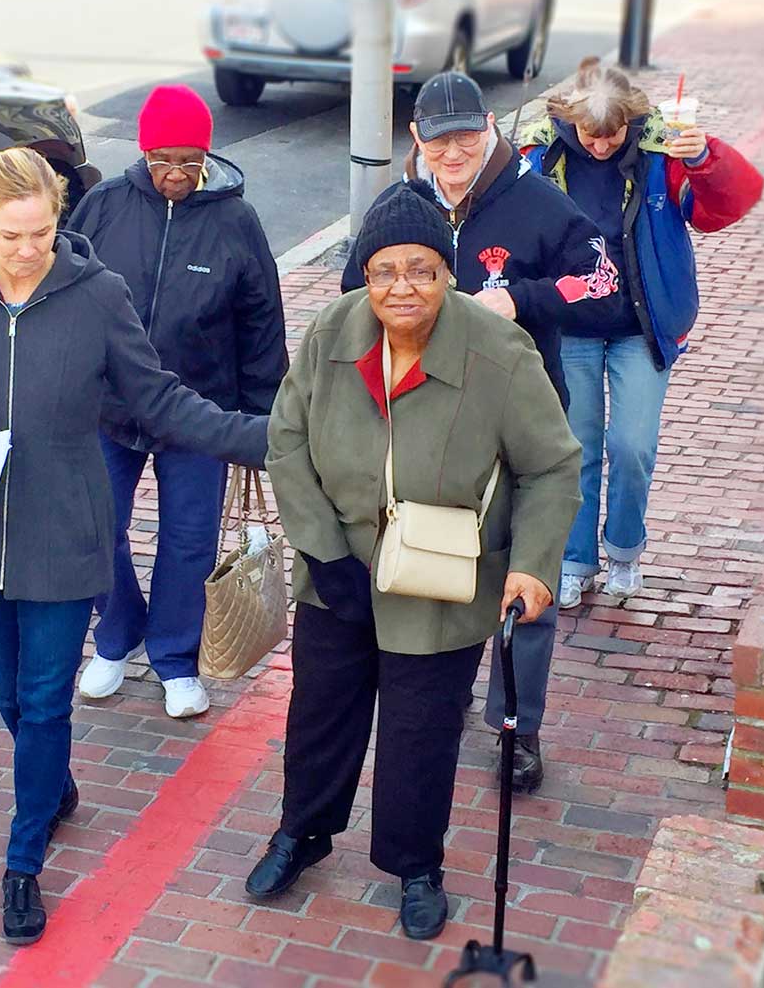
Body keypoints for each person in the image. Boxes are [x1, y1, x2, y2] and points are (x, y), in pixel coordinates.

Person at [0, 147, 267, 946]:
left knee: (47, 700)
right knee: (14, 696)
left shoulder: (97, 295)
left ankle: (22, 861)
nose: (29, 250)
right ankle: (50, 788)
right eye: (12, 234)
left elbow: (159, 399)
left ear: (60, 216)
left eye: (43, 232)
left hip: (64, 532)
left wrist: (265, 437)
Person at [246, 182, 582, 941]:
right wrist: (325, 553)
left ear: (448, 273)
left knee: (419, 730)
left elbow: (554, 465)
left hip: (441, 579)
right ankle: (302, 831)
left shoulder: (498, 350)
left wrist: (532, 565)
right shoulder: (334, 331)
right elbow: (287, 440)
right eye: (385, 270)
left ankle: (416, 863)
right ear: (364, 275)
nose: (403, 286)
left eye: (423, 269)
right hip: (339, 571)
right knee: (321, 716)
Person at [342, 71, 619, 792]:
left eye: (467, 136)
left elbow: (605, 281)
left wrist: (518, 300)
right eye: (439, 141)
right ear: (417, 139)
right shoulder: (397, 207)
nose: (454, 152)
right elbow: (351, 298)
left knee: (528, 575)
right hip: (426, 431)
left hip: (523, 424)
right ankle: (442, 693)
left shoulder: (536, 201)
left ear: (490, 125)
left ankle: (516, 726)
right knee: (437, 565)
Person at [67, 85, 287, 718]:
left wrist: (261, 421)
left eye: (191, 161)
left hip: (201, 411)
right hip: (108, 406)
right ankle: (116, 633)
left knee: (189, 538)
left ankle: (174, 656)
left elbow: (262, 322)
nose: (177, 175)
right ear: (143, 152)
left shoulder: (235, 220)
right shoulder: (104, 206)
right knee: (95, 527)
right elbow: (66, 298)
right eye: (165, 159)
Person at [520, 58, 763, 608]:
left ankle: (625, 551)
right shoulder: (539, 156)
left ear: (631, 119)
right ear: (570, 120)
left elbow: (729, 205)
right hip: (570, 327)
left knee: (632, 446)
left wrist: (704, 159)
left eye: (614, 134)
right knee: (574, 447)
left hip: (642, 326)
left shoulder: (664, 152)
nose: (602, 146)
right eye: (591, 135)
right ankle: (574, 560)